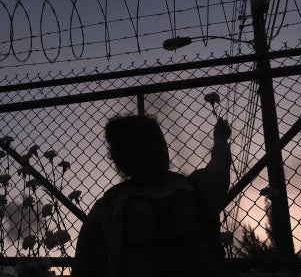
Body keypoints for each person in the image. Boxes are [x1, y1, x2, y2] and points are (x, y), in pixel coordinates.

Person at [72, 113, 232, 277]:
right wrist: (220, 138)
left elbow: (82, 266)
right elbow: (221, 163)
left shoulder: (106, 207)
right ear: (162, 148)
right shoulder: (195, 188)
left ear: (118, 160)